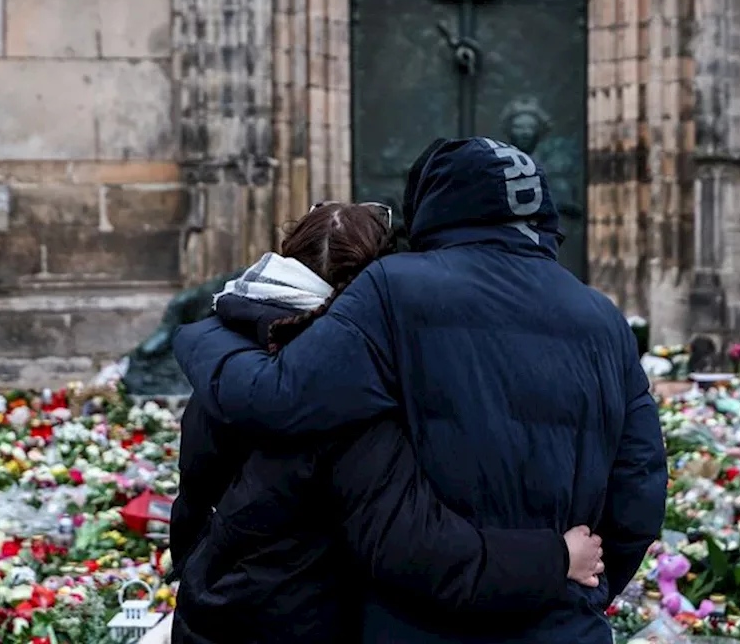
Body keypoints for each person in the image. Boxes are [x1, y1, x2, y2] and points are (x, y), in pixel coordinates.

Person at [173, 137, 668, 643]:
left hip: (416, 621)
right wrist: (582, 585)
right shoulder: (604, 318)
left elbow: (280, 396)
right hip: (564, 620)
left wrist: (208, 330)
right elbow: (641, 489)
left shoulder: (394, 287)